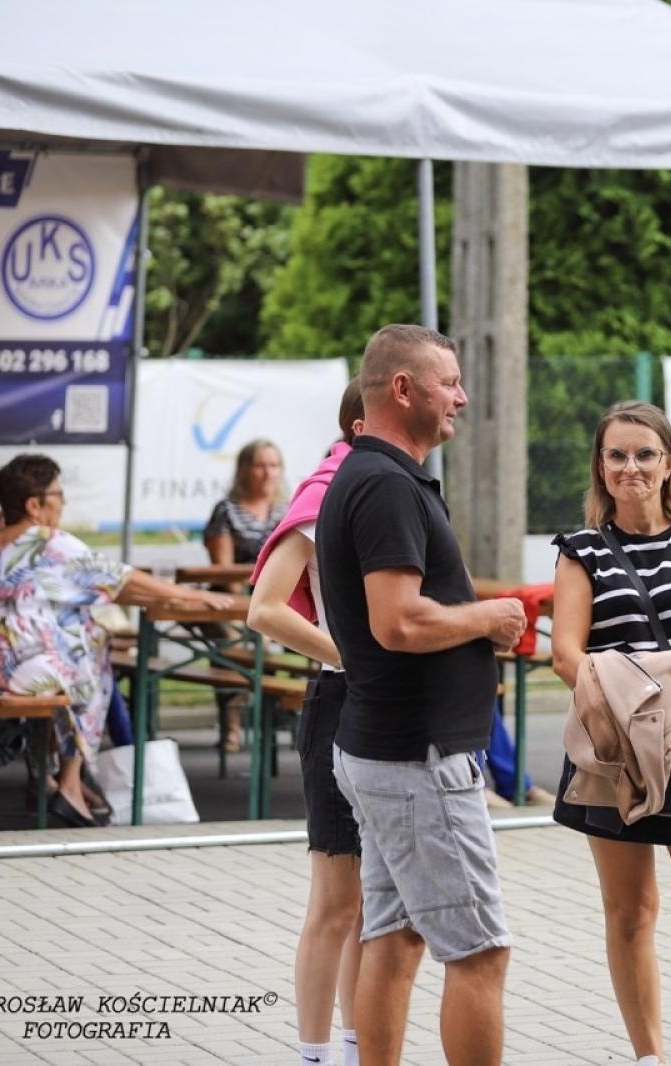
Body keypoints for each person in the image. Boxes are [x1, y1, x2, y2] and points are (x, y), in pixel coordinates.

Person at [317, 325, 525, 1066]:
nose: (463, 397)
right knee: (480, 954)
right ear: (402, 390)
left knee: (396, 937)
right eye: (450, 382)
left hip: (391, 750)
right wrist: (491, 619)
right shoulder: (384, 484)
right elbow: (398, 621)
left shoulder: (372, 477)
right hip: (418, 758)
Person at [551, 400, 671, 1066]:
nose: (630, 468)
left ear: (668, 464)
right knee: (631, 912)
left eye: (644, 454)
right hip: (613, 749)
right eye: (616, 455)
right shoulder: (579, 550)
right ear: (600, 467)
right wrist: (632, 702)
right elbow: (565, 653)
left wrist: (670, 687)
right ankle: (649, 1057)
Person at [0, 454, 231, 827]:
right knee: (94, 655)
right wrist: (194, 596)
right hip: (15, 670)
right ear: (34, 505)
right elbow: (123, 580)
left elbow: (101, 586)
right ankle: (69, 781)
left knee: (82, 630)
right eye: (58, 494)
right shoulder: (48, 541)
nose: (63, 502)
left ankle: (58, 777)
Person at [247, 381, 366, 1066]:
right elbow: (264, 609)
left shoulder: (385, 487)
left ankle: (356, 1049)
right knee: (335, 904)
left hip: (384, 707)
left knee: (371, 907)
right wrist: (352, 657)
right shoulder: (327, 491)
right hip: (340, 703)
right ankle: (314, 1056)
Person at [205, 438, 288, 752]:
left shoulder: (286, 510)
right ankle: (233, 725)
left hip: (275, 601)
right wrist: (255, 615)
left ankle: (277, 715)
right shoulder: (226, 511)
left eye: (274, 465)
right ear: (244, 471)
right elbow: (224, 572)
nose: (268, 473)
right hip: (230, 602)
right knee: (235, 643)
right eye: (260, 465)